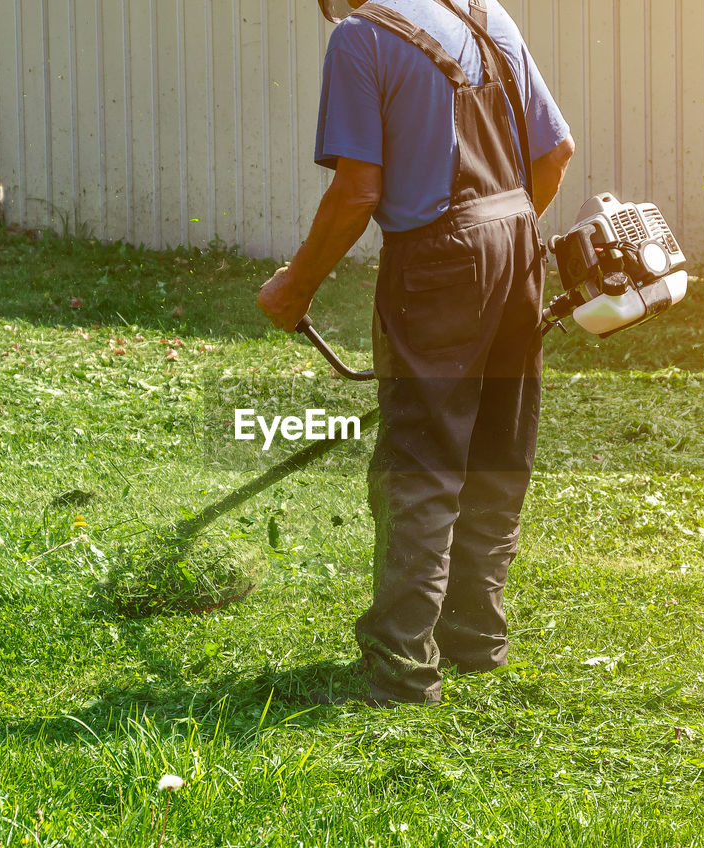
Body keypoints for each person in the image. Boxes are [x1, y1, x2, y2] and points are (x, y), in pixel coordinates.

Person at [257, 0, 574, 705]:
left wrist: (295, 286)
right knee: (496, 445)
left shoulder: (361, 39)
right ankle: (474, 639)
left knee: (421, 460)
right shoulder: (488, 16)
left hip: (438, 257)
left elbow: (356, 191)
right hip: (519, 238)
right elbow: (554, 157)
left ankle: (401, 668)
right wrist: (502, 248)